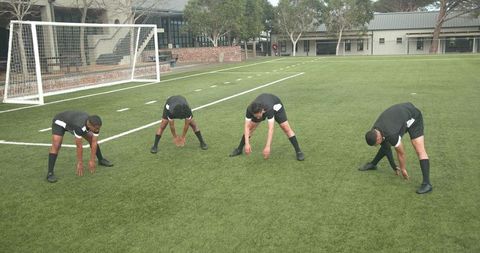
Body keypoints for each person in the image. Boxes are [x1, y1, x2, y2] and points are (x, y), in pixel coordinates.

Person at [361, 102, 432, 194]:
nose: (376, 146)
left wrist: (403, 169)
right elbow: (386, 147)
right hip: (402, 115)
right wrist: (394, 166)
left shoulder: (391, 135)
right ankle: (373, 164)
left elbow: (401, 153)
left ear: (378, 138)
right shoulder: (375, 129)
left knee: (419, 150)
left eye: (376, 144)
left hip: (414, 117)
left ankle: (427, 184)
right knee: (386, 143)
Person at [229, 93, 304, 161]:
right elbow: (246, 127)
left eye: (259, 115)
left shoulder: (269, 109)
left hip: (276, 106)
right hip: (261, 108)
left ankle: (298, 151)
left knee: (285, 127)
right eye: (256, 116)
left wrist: (268, 146)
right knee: (251, 127)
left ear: (262, 111)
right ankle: (239, 149)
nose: (258, 118)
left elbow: (270, 129)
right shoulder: (249, 109)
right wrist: (247, 143)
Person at [47, 111, 114, 183]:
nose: (97, 130)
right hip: (60, 122)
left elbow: (94, 142)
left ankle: (101, 160)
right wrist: (80, 162)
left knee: (91, 139)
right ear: (90, 125)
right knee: (56, 145)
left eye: (98, 128)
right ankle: (50, 173)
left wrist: (92, 160)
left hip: (74, 121)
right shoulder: (79, 126)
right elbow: (79, 146)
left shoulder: (95, 124)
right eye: (96, 129)